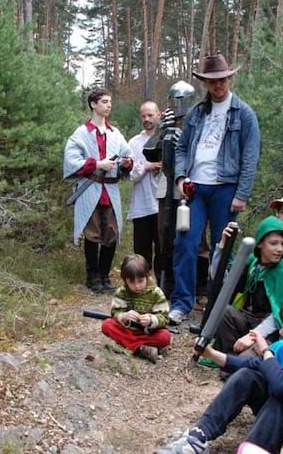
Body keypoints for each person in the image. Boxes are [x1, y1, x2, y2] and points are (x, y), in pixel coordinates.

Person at [157, 296, 283, 454]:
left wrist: (266, 352)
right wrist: (211, 354)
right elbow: (249, 364)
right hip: (271, 415)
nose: (281, 332)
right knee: (247, 375)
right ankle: (199, 436)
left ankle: (253, 449)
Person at [169, 53, 261, 325]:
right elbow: (183, 147)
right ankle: (182, 302)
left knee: (223, 250)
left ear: (230, 78)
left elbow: (250, 156)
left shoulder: (244, 114)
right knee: (184, 244)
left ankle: (218, 306)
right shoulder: (197, 112)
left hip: (226, 189)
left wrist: (242, 193)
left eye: (222, 79)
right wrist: (180, 177)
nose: (217, 85)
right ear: (205, 83)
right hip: (194, 189)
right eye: (212, 81)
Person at [64, 89, 133, 293]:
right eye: (104, 101)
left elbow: (127, 156)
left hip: (110, 190)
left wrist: (127, 163)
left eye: (110, 101)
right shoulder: (81, 133)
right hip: (90, 188)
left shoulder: (115, 133)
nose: (109, 105)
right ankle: (92, 277)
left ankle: (104, 276)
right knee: (92, 234)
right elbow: (71, 161)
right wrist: (97, 164)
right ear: (93, 104)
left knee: (111, 233)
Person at [211, 216, 283, 355]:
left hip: (270, 334)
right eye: (274, 243)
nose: (280, 249)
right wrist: (222, 246)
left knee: (245, 361)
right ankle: (229, 355)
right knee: (226, 311)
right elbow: (221, 280)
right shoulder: (253, 262)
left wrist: (253, 336)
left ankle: (239, 360)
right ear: (260, 244)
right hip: (248, 320)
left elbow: (280, 316)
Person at [101, 254, 171, 362]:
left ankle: (126, 345)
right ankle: (140, 349)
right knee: (107, 325)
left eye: (140, 281)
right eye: (132, 282)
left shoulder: (156, 293)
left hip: (147, 333)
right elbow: (115, 312)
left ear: (147, 277)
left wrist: (151, 319)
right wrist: (124, 316)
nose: (137, 286)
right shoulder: (122, 292)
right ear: (125, 280)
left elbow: (164, 318)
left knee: (165, 336)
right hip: (128, 330)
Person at [128, 101, 162, 272]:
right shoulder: (134, 143)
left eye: (150, 115)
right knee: (141, 251)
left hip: (162, 204)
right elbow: (130, 174)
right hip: (141, 205)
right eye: (143, 116)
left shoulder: (168, 138)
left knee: (163, 249)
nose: (146, 119)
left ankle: (163, 287)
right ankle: (142, 286)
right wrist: (147, 166)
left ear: (159, 115)